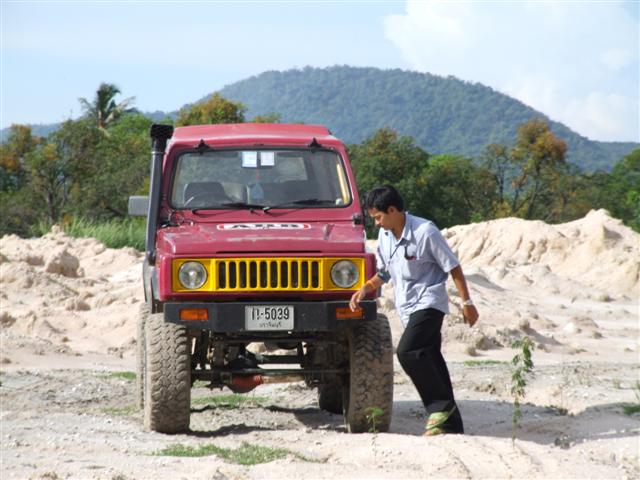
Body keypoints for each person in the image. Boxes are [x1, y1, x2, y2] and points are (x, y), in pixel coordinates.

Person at [350, 185, 479, 436]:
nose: (377, 223)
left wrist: (467, 303)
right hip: (407, 307)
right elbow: (385, 272)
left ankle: (439, 409)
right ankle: (451, 425)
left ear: (393, 210)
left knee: (407, 352)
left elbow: (453, 266)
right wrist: (365, 288)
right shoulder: (385, 237)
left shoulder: (425, 231)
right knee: (430, 356)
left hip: (429, 302)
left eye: (378, 217)